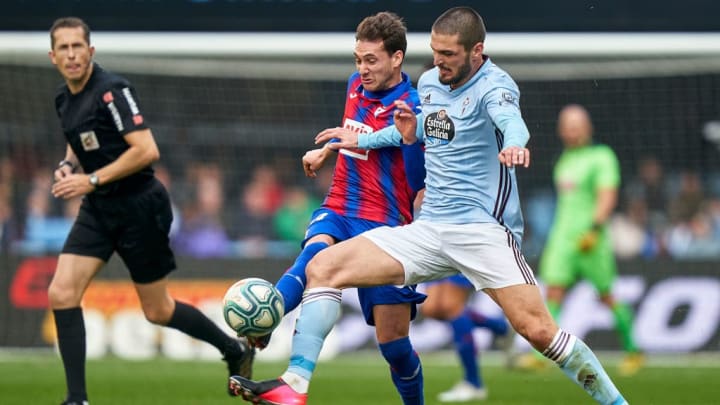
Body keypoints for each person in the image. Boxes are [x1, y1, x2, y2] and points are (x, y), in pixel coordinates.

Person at [233, 7, 629, 405]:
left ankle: (616, 402)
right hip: (429, 229)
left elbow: (511, 120)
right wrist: (363, 140)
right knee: (322, 267)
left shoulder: (496, 85)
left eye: (449, 54)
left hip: (482, 233)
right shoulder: (430, 84)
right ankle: (295, 385)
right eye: (435, 52)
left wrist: (514, 143)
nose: (438, 62)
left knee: (539, 331)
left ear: (477, 51)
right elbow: (420, 126)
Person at [46, 17, 252, 405]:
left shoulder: (112, 91)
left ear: (90, 51)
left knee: (157, 311)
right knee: (61, 292)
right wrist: (69, 165)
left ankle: (233, 349)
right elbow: (78, 141)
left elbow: (146, 151)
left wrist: (89, 180)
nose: (72, 54)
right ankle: (77, 399)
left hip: (140, 206)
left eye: (78, 47)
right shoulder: (63, 98)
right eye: (64, 48)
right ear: (53, 56)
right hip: (99, 208)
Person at [230, 11, 428, 405]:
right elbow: (353, 137)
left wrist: (402, 140)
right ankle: (270, 330)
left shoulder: (412, 107)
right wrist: (326, 151)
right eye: (358, 59)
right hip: (341, 203)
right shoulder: (355, 85)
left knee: (393, 345)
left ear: (397, 58)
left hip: (386, 225)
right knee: (314, 255)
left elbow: (418, 180)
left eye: (371, 60)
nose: (363, 68)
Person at [522, 104, 644, 376]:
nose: (571, 130)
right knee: (553, 292)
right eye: (566, 125)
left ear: (588, 127)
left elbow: (607, 195)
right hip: (562, 237)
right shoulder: (563, 160)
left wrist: (594, 227)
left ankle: (634, 351)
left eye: (576, 124)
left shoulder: (602, 157)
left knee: (607, 295)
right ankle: (540, 355)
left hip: (591, 237)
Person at [420, 275, 514, 402]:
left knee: (451, 306)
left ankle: (473, 382)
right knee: (431, 308)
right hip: (434, 254)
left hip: (458, 255)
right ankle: (501, 327)